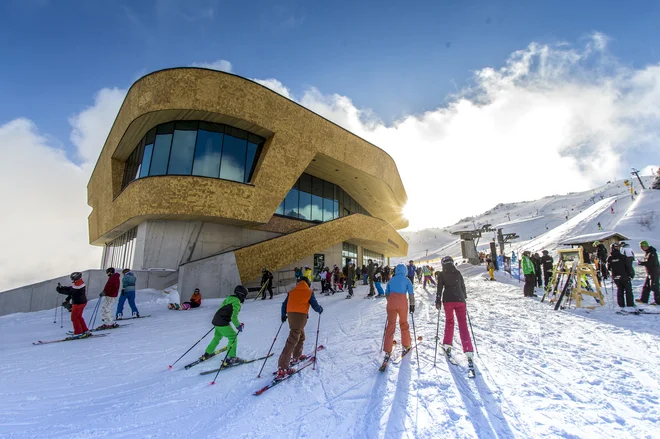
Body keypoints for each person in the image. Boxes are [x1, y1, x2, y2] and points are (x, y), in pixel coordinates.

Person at [277, 277, 323, 379]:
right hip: (300, 316)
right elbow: (315, 306)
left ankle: (296, 356)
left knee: (301, 336)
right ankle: (283, 367)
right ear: (308, 283)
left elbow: (284, 304)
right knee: (293, 339)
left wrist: (283, 315)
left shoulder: (292, 291)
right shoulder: (309, 292)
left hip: (291, 316)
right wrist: (320, 309)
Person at [435, 256, 474, 367]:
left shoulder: (442, 274)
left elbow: (439, 288)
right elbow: (462, 286)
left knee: (450, 322)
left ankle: (447, 344)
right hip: (460, 300)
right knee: (463, 324)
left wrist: (438, 301)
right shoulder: (457, 273)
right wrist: (464, 297)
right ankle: (468, 350)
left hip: (448, 300)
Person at [202, 285, 248, 364]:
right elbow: (234, 317)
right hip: (222, 322)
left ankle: (207, 353)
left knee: (217, 337)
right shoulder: (237, 302)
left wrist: (219, 320)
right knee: (233, 337)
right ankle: (232, 358)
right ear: (241, 295)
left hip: (217, 320)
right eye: (244, 296)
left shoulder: (229, 298)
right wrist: (238, 325)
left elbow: (222, 308)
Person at [382, 264, 415, 364]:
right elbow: (411, 293)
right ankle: (406, 345)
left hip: (391, 303)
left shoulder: (391, 280)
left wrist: (391, 301)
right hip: (402, 304)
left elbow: (386, 293)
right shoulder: (407, 280)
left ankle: (387, 350)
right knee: (403, 323)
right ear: (405, 271)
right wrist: (412, 305)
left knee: (391, 325)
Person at [607, 243, 635, 308]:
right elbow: (628, 266)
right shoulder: (623, 257)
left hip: (616, 276)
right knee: (628, 290)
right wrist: (631, 274)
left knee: (620, 290)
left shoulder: (610, 258)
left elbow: (608, 267)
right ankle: (630, 304)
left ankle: (621, 304)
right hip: (624, 276)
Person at [636, 240, 660, 305]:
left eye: (642, 247)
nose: (642, 249)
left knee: (655, 287)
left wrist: (641, 263)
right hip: (649, 272)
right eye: (641, 247)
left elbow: (651, 263)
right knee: (646, 287)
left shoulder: (652, 253)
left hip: (654, 272)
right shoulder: (647, 252)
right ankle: (644, 299)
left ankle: (658, 301)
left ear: (646, 246)